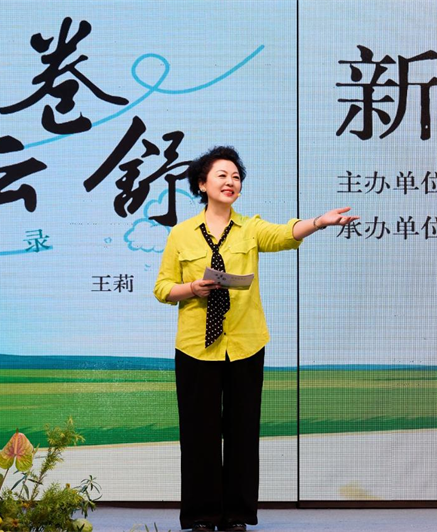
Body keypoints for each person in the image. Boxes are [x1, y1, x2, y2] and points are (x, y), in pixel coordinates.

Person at [153, 146, 358, 532]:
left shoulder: (250, 228)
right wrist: (193, 288)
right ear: (202, 184)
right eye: (222, 175)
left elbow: (284, 235)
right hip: (196, 347)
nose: (230, 182)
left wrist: (318, 222)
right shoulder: (181, 234)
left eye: (236, 177)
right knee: (199, 435)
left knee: (243, 433)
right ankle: (202, 516)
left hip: (245, 345)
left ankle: (237, 516)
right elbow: (163, 288)